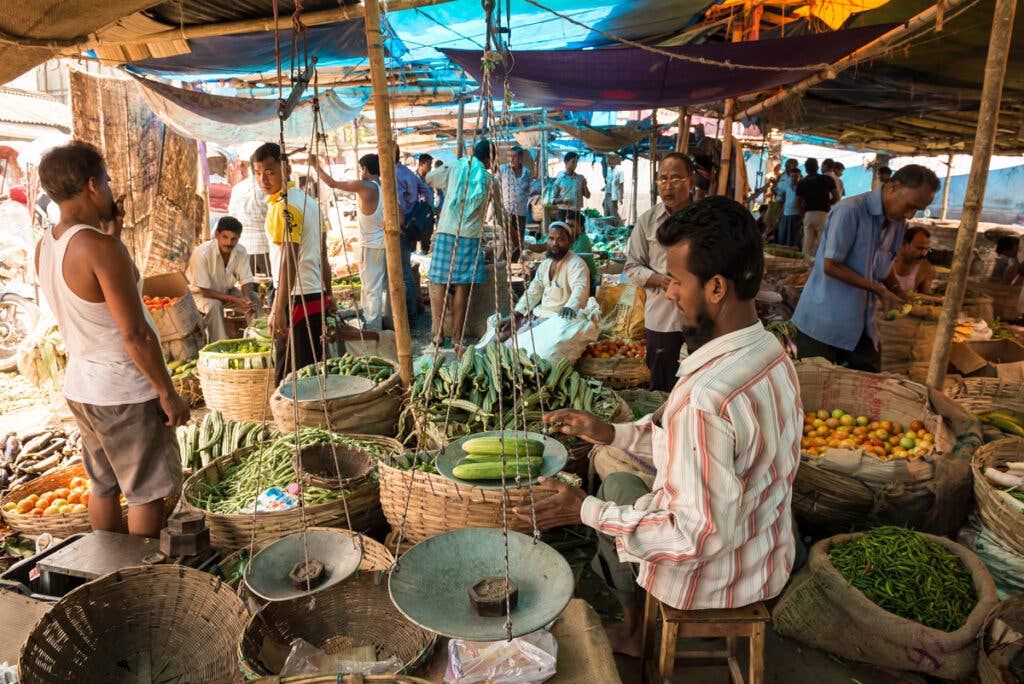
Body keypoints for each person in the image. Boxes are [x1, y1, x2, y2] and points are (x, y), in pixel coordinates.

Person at [515, 196, 801, 656]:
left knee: (613, 495)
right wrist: (613, 434)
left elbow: (696, 535)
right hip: (764, 549)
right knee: (623, 480)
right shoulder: (772, 354)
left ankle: (633, 635)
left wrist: (583, 510)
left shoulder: (705, 399)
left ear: (717, 288)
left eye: (677, 281)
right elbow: (698, 447)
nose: (668, 292)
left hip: (715, 577)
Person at [34, 141, 188, 538]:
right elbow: (135, 334)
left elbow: (91, 302)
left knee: (102, 485)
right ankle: (138, 584)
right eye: (106, 180)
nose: (109, 187)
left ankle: (107, 575)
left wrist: (112, 231)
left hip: (84, 388)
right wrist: (167, 392)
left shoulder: (46, 245)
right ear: (91, 185)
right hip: (125, 390)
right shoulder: (100, 249)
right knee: (144, 494)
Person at [792, 164, 940, 372]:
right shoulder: (849, 210)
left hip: (862, 325)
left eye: (917, 210)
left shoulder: (898, 223)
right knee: (816, 386)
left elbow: (883, 264)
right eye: (910, 205)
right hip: (824, 322)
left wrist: (896, 289)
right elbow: (831, 266)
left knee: (869, 386)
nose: (910, 215)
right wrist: (880, 290)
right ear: (893, 187)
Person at [252, 142, 333, 385]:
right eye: (257, 173)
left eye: (269, 171)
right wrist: (329, 293)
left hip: (296, 298)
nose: (263, 179)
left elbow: (290, 257)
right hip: (315, 294)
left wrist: (278, 308)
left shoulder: (284, 208)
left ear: (285, 168)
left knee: (290, 378)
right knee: (311, 372)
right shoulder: (309, 202)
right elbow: (323, 255)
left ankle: (293, 422)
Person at [624, 153, 696, 392]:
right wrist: (661, 280)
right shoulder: (648, 221)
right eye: (662, 179)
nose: (668, 186)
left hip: (702, 318)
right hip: (663, 319)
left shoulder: (705, 219)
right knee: (663, 388)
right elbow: (632, 267)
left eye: (676, 179)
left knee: (696, 385)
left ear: (691, 181)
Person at [426, 139, 505, 350]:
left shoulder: (456, 167)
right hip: (470, 237)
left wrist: (448, 177)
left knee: (440, 283)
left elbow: (429, 177)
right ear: (489, 159)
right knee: (462, 286)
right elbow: (499, 213)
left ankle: (437, 334)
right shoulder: (489, 181)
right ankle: (457, 337)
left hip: (446, 231)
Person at [313, 153, 388, 330]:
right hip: (377, 244)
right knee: (371, 285)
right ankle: (371, 319)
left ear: (366, 169)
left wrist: (316, 167)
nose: (360, 172)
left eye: (361, 168)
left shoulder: (365, 186)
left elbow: (332, 184)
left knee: (372, 287)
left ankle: (373, 325)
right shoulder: (382, 186)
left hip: (372, 246)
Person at [500, 222, 590, 338]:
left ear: (570, 242)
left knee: (513, 343)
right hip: (539, 314)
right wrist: (517, 313)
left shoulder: (577, 265)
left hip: (557, 319)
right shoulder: (545, 264)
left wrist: (570, 307)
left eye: (561, 239)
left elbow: (580, 289)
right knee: (501, 332)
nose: (555, 243)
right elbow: (533, 291)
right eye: (551, 239)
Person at [187, 216, 261, 342]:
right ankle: (219, 345)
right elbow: (205, 292)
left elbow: (246, 280)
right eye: (225, 237)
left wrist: (246, 298)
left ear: (239, 238)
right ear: (217, 234)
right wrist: (235, 299)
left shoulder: (240, 251)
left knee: (253, 298)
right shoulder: (202, 253)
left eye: (234, 239)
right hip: (199, 295)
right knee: (214, 306)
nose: (229, 243)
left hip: (226, 291)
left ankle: (259, 337)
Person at [228, 160, 271, 278]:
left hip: (245, 246)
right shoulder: (269, 189)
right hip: (267, 246)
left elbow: (232, 217)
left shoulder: (238, 189)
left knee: (247, 285)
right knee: (272, 283)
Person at [795, 157, 838, 256]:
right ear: (817, 167)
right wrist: (827, 203)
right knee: (822, 243)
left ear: (805, 169)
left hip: (808, 214)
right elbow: (836, 197)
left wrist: (802, 215)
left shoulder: (802, 182)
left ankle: (805, 267)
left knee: (807, 244)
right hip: (823, 214)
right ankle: (820, 267)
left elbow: (797, 202)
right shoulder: (827, 179)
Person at [498, 146, 532, 261]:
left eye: (515, 156)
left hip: (521, 212)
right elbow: (495, 186)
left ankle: (513, 265)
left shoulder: (527, 172)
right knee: (504, 241)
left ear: (521, 157)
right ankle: (501, 264)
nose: (512, 159)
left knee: (518, 242)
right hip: (506, 211)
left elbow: (529, 190)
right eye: (510, 156)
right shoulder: (503, 169)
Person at [560, 209, 599, 296]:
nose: (568, 229)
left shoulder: (583, 239)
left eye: (572, 226)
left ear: (581, 228)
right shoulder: (567, 239)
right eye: (567, 225)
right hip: (574, 277)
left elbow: (574, 260)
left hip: (588, 279)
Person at [889, 226, 935, 294]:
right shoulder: (887, 259)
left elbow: (925, 298)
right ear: (904, 244)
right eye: (920, 248)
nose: (924, 253)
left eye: (927, 249)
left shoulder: (926, 268)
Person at [775, 167, 802, 248]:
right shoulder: (786, 184)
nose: (794, 178)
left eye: (796, 177)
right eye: (792, 176)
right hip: (786, 213)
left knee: (793, 239)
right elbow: (777, 189)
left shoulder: (802, 186)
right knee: (783, 237)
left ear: (799, 177)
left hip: (797, 214)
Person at [414, 153, 435, 254]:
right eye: (429, 164)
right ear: (421, 164)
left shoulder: (430, 179)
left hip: (428, 215)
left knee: (426, 241)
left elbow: (434, 194)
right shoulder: (412, 178)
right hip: (416, 214)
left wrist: (434, 208)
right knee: (412, 241)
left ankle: (423, 259)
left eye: (431, 165)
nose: (430, 167)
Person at [603, 153, 624, 223]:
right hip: (607, 193)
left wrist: (621, 197)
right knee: (606, 211)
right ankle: (608, 225)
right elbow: (608, 181)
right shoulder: (609, 169)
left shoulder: (619, 171)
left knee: (613, 212)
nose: (608, 161)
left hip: (613, 195)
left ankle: (618, 225)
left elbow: (621, 184)